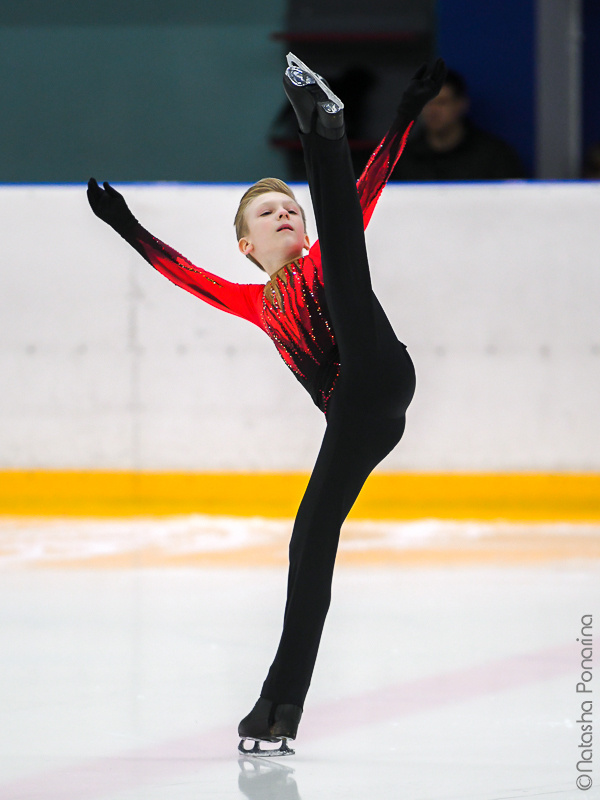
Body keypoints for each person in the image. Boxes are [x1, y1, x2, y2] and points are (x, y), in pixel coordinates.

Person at [87, 53, 446, 756]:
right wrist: (125, 226)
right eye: (268, 214)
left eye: (292, 208)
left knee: (345, 262)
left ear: (304, 226)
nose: (285, 214)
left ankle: (326, 128)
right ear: (248, 246)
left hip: (380, 367)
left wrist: (404, 112)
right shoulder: (254, 301)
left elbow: (367, 186)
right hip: (357, 417)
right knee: (309, 542)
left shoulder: (320, 253)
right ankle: (276, 709)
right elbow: (185, 275)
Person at [391, 68, 525, 181]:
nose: (433, 110)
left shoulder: (494, 156)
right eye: (426, 102)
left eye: (442, 102)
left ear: (461, 105)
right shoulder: (401, 158)